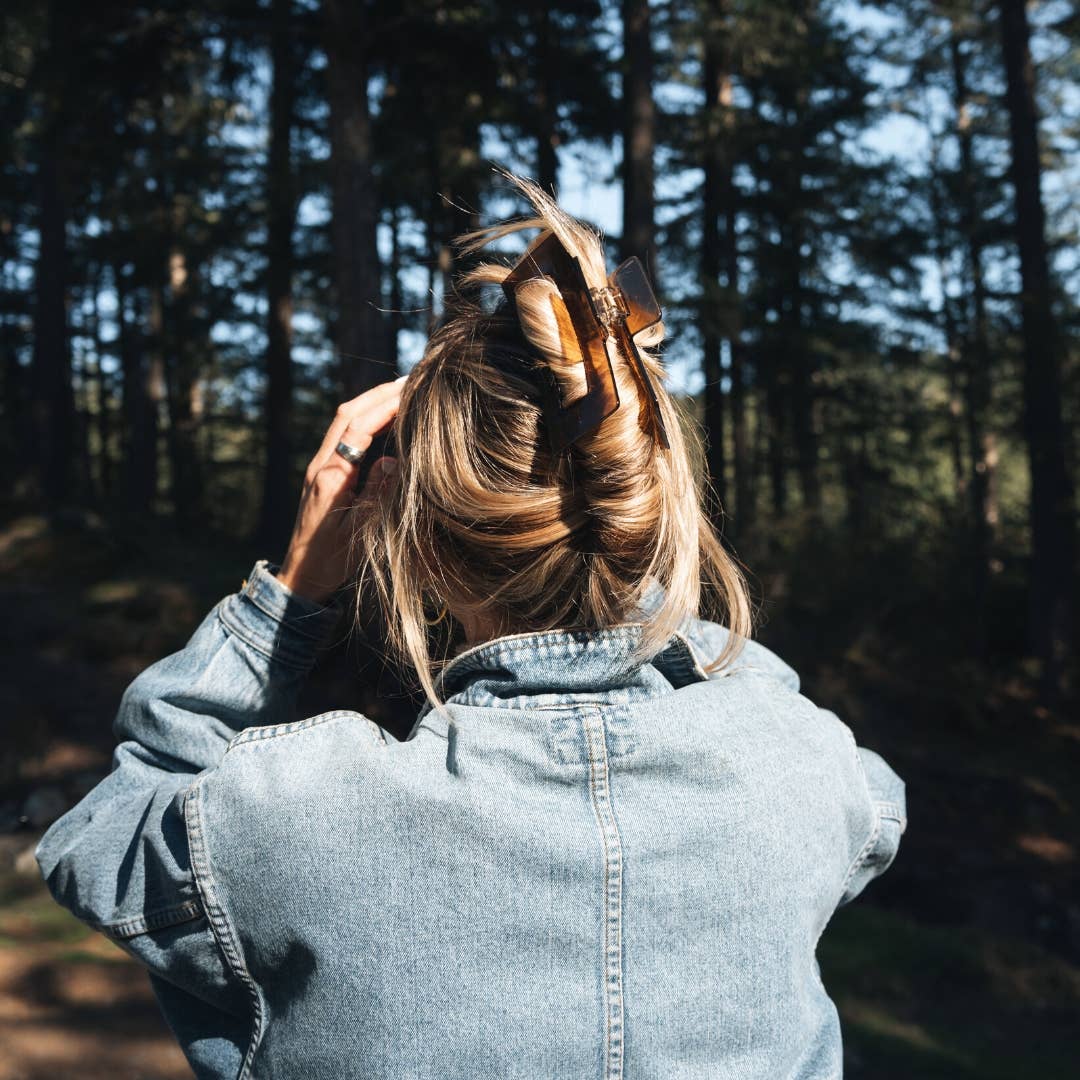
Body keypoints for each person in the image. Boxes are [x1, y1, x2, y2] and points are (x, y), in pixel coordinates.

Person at [36, 174, 906, 1080]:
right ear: (647, 500)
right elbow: (870, 799)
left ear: (424, 547)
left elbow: (104, 838)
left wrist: (287, 596)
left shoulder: (299, 813)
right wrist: (627, 563)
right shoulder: (798, 770)